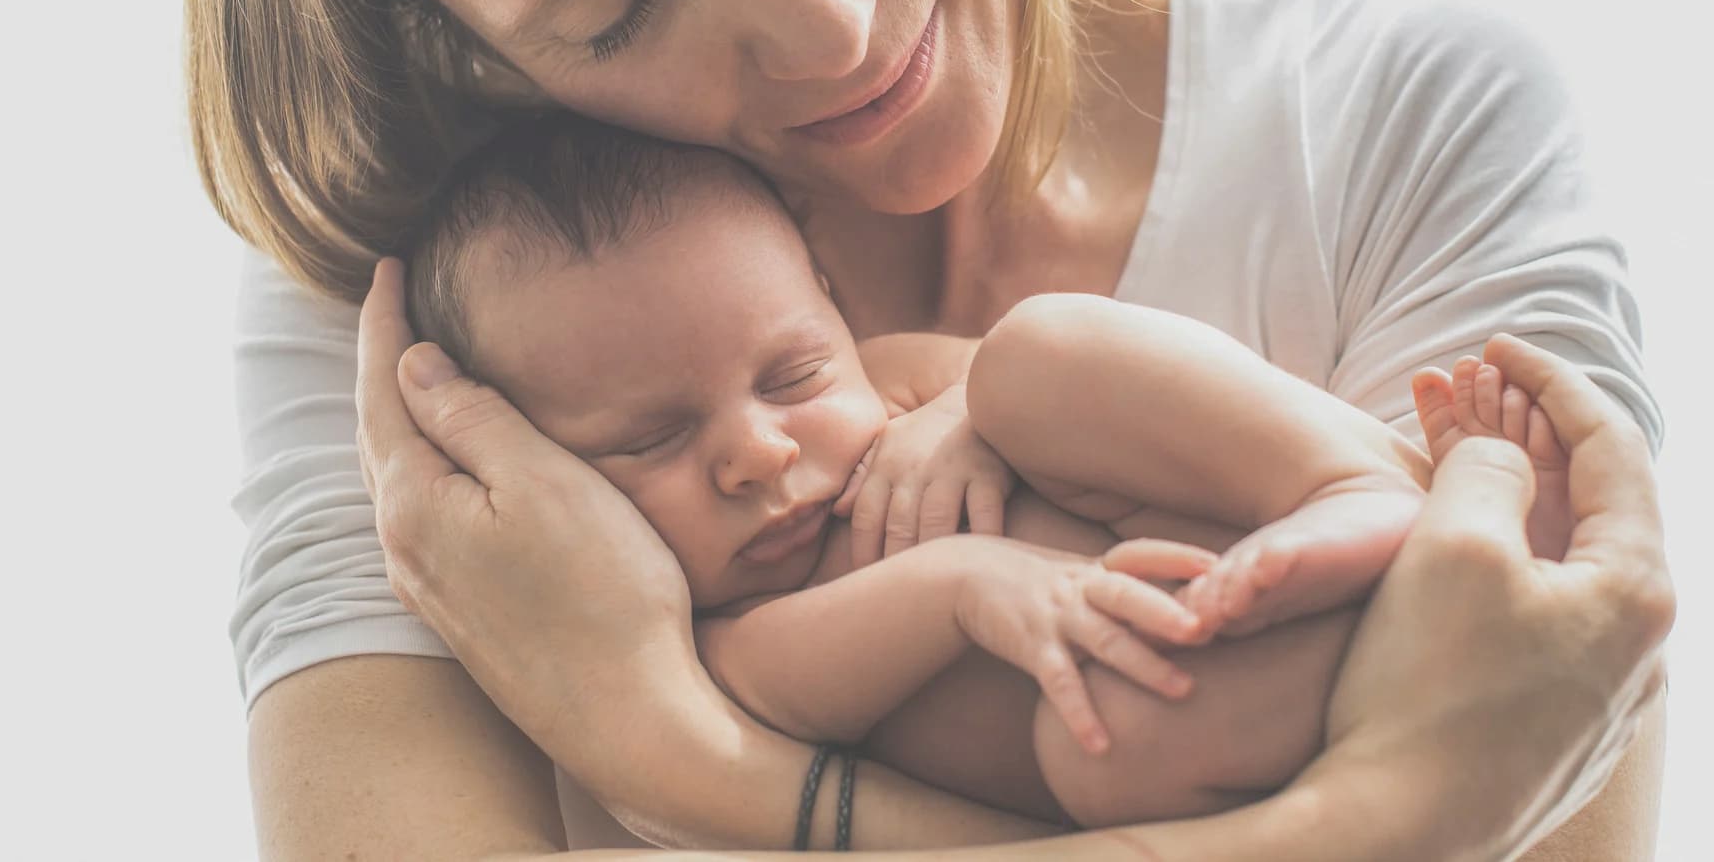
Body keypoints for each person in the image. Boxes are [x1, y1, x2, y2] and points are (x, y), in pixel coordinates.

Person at [188, 0, 1674, 854]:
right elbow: (1467, 760)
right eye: (614, 11)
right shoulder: (444, 321)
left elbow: (1548, 739)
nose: (825, 25)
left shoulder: (1390, 121)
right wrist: (1386, 812)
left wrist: (691, 759)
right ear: (457, 39)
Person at [399, 113, 1452, 827]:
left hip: (1232, 534)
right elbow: (781, 686)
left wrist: (961, 413)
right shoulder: (699, 644)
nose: (760, 449)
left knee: (1034, 356)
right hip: (1212, 699)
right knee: (1107, 744)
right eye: (650, 440)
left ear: (828, 302)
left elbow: (1025, 391)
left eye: (793, 370)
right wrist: (963, 584)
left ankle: (1343, 487)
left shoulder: (893, 379)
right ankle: (1366, 631)